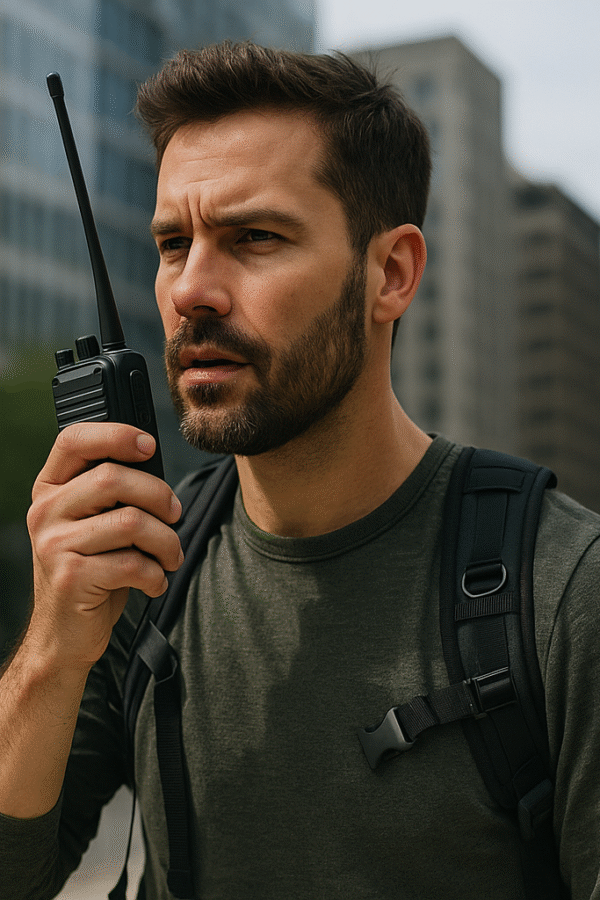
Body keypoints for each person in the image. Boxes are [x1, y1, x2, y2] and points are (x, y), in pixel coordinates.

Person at [1, 41, 599, 900]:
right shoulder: (141, 573)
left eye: (254, 237)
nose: (191, 290)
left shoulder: (565, 594)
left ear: (390, 273)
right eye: (174, 243)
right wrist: (53, 650)